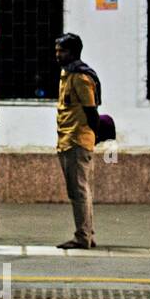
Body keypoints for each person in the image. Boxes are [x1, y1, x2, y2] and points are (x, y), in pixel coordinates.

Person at [55, 32, 100, 250]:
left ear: (73, 52)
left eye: (61, 51)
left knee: (79, 191)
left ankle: (83, 236)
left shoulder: (81, 78)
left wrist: (91, 137)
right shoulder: (67, 74)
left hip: (77, 140)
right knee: (78, 190)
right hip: (67, 138)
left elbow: (92, 112)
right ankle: (86, 233)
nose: (57, 55)